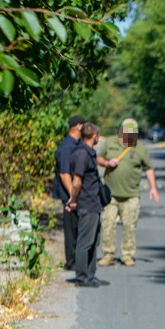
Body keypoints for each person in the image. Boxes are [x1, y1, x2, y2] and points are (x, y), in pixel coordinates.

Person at [98, 119, 159, 267]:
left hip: (131, 194)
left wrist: (153, 188)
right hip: (110, 194)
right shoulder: (110, 142)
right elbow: (98, 158)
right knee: (107, 224)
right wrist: (107, 163)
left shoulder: (140, 147)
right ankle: (108, 254)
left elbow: (148, 168)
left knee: (129, 226)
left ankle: (127, 255)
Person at [67, 122, 108, 288]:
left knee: (94, 241)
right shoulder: (82, 155)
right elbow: (77, 182)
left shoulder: (89, 153)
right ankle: (82, 276)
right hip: (87, 203)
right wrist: (73, 200)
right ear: (94, 136)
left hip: (94, 203)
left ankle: (90, 275)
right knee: (85, 242)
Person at [53, 115, 85, 270]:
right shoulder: (67, 146)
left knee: (78, 227)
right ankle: (71, 262)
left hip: (75, 194)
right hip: (69, 195)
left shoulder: (77, 144)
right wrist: (72, 195)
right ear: (78, 126)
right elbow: (64, 173)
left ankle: (78, 259)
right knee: (71, 228)